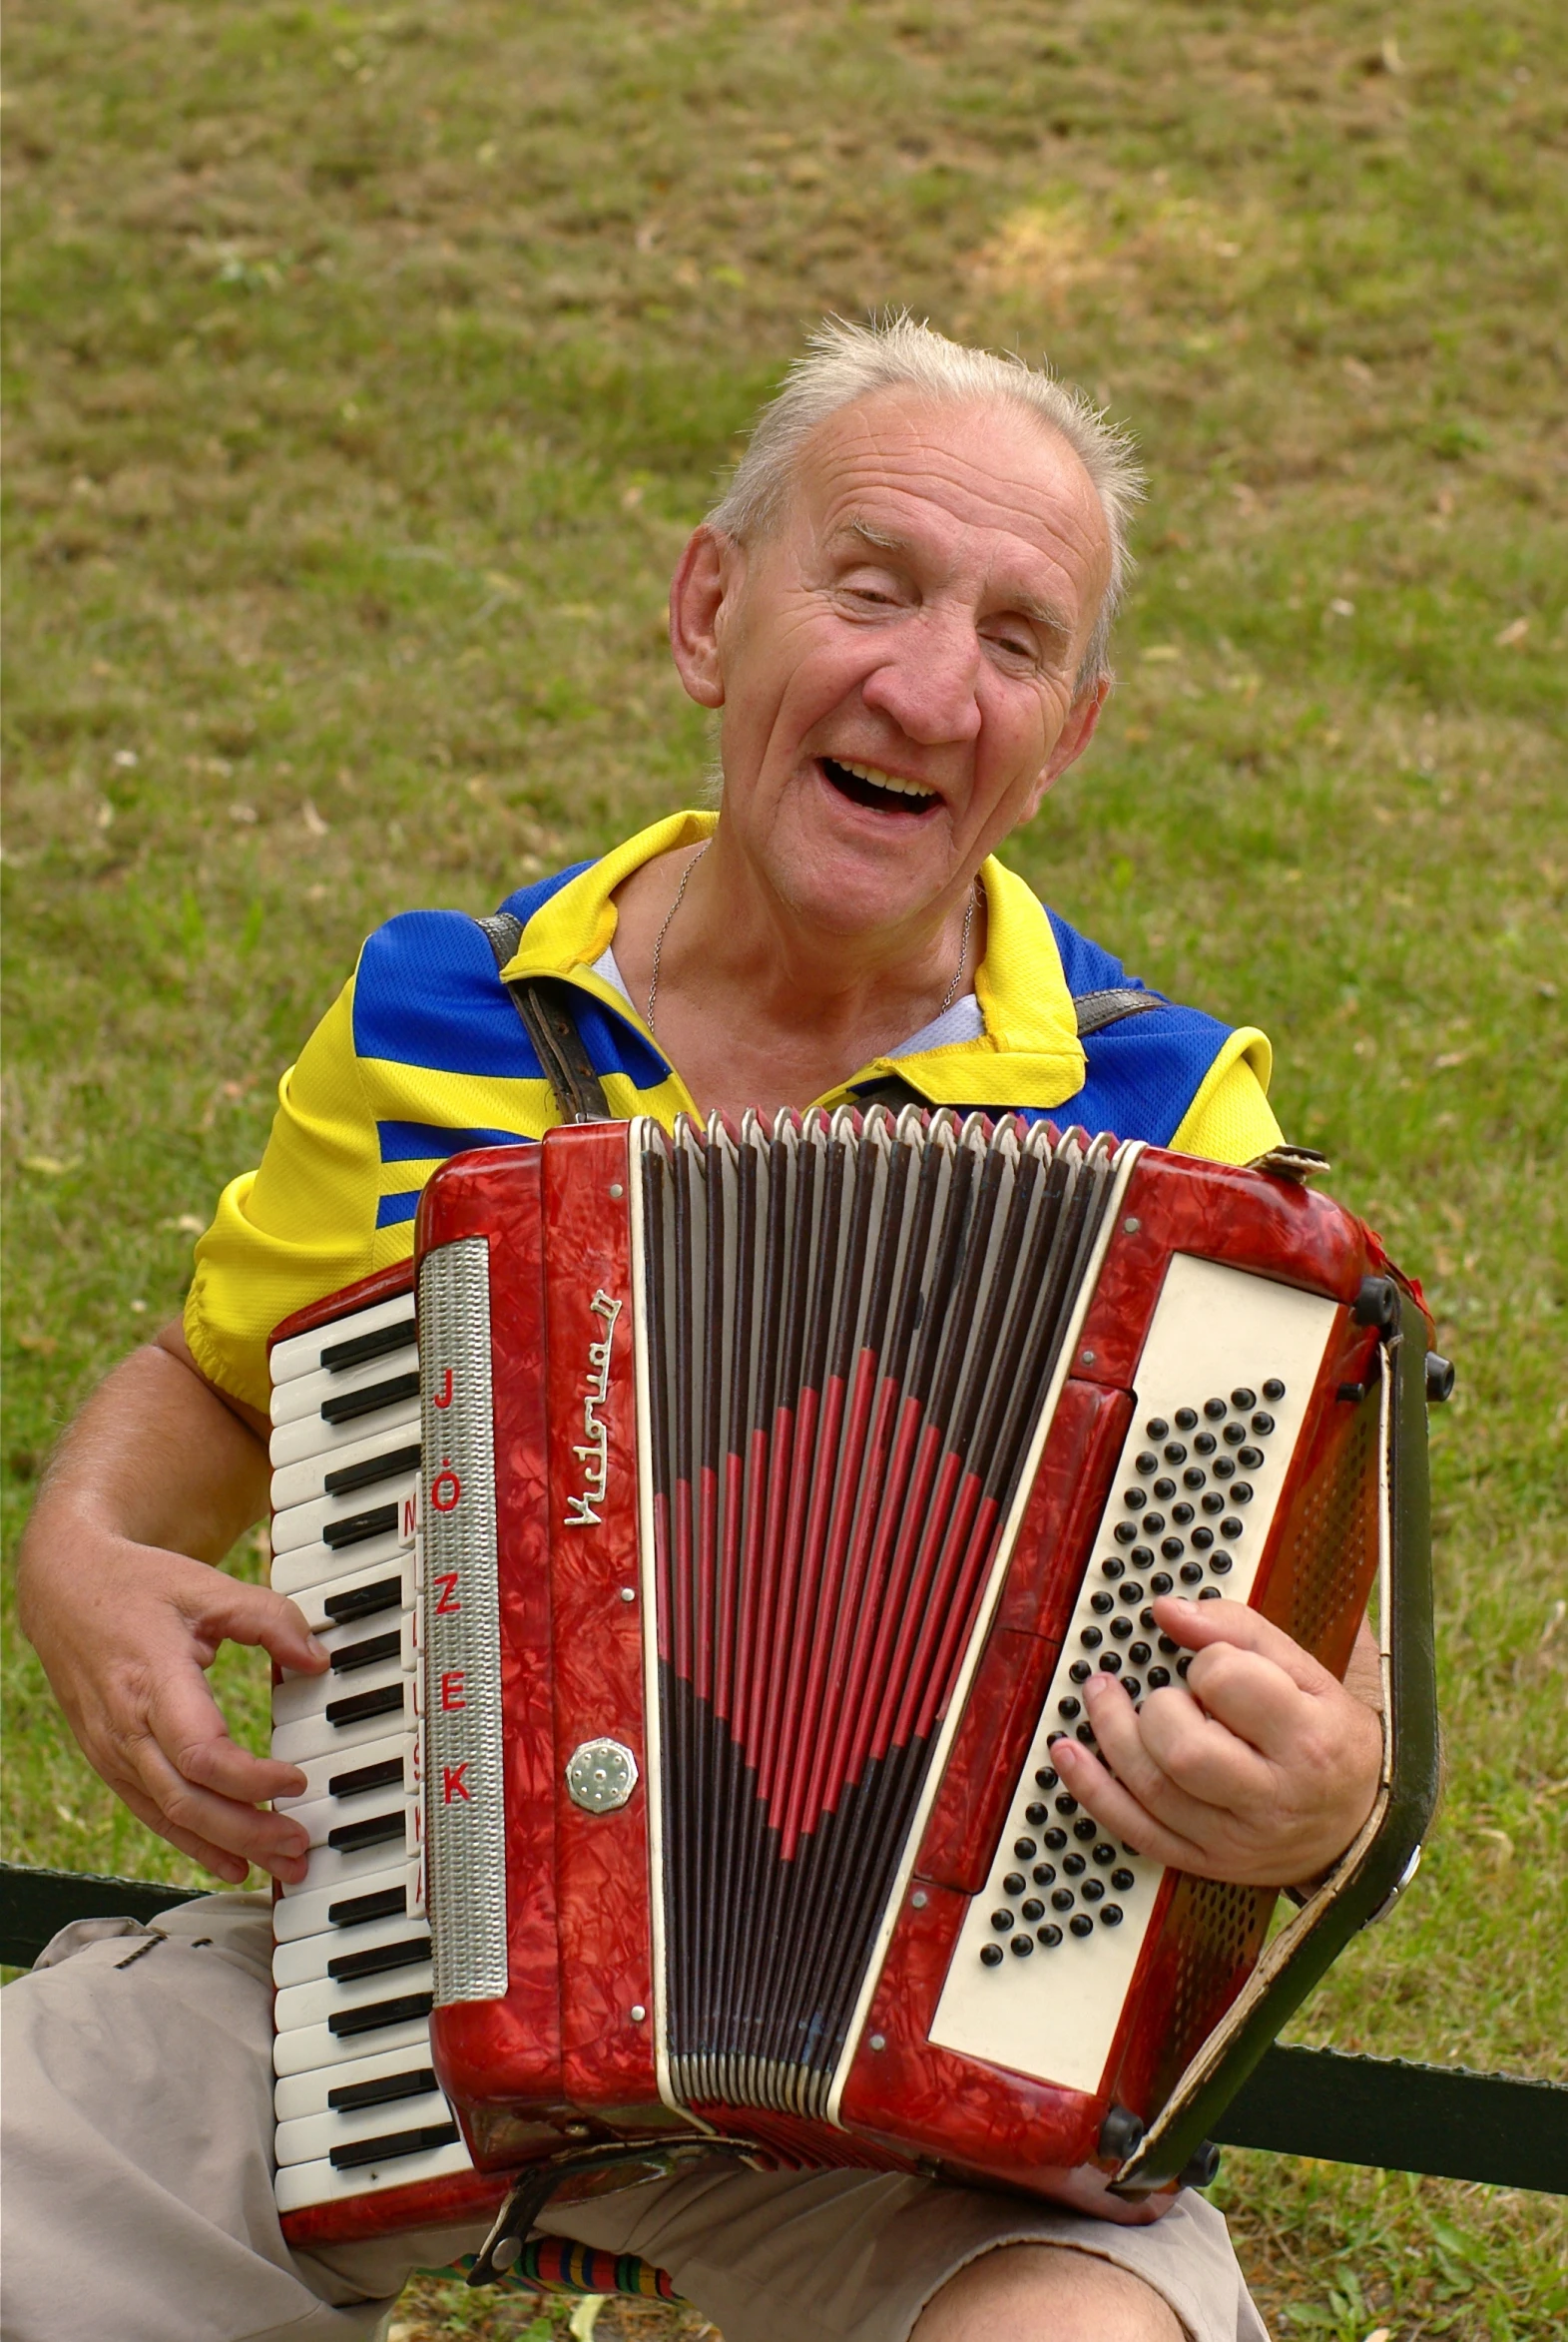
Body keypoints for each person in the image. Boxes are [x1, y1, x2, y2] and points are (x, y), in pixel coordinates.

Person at [6, 316, 1383, 2342]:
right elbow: (214, 1375)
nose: (928, 686)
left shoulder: (1172, 1136)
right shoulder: (438, 1021)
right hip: (390, 1990)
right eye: (873, 586)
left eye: (1015, 639)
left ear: (1066, 734)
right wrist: (81, 1555)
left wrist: (1319, 1792)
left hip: (929, 2111)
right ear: (707, 612)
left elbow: (1318, 1665)